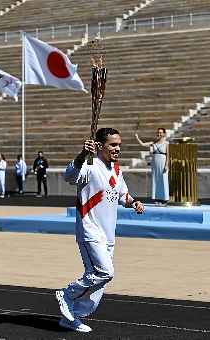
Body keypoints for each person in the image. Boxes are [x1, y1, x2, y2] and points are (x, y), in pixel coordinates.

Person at [55, 127, 144, 333]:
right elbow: (69, 176)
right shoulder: (89, 164)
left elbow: (122, 196)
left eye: (119, 145)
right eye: (113, 145)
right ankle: (67, 294)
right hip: (90, 230)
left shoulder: (116, 169)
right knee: (105, 272)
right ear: (100, 146)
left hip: (108, 234)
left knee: (98, 284)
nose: (117, 148)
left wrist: (134, 202)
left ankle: (72, 317)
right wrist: (82, 155)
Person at [135, 128, 169, 205]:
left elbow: (168, 155)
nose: (159, 134)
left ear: (164, 134)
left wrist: (166, 165)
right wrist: (137, 138)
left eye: (161, 133)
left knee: (163, 179)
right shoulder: (153, 143)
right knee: (156, 179)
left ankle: (165, 199)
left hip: (162, 162)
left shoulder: (166, 143)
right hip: (155, 162)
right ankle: (157, 198)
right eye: (158, 132)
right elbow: (142, 144)